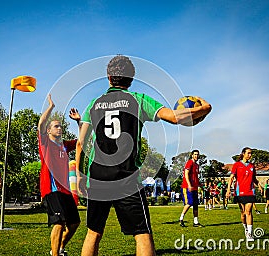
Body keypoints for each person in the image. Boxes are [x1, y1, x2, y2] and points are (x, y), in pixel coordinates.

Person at [76, 55, 212, 256]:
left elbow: (80, 143)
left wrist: (79, 175)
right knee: (142, 233)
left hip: (97, 177)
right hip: (126, 176)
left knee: (93, 233)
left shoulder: (94, 104)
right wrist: (205, 108)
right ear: (131, 79)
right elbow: (174, 117)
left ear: (108, 77)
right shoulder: (137, 100)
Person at [38, 94, 81, 256]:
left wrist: (78, 121)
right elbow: (41, 123)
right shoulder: (45, 143)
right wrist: (51, 107)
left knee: (75, 223)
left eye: (60, 126)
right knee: (59, 223)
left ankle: (60, 248)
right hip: (51, 190)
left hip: (65, 191)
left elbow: (80, 141)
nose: (59, 128)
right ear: (49, 131)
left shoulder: (64, 145)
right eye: (56, 126)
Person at [226, 147, 262, 242]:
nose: (250, 155)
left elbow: (254, 178)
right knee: (243, 214)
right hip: (239, 192)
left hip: (250, 191)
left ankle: (250, 233)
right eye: (248, 153)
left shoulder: (252, 166)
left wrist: (259, 186)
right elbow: (231, 178)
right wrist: (228, 189)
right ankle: (245, 228)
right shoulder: (237, 165)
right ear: (243, 153)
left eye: (251, 153)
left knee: (248, 211)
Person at [179, 150, 203, 227]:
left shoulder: (197, 165)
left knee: (196, 205)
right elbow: (186, 174)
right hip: (187, 187)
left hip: (195, 188)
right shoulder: (190, 162)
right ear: (192, 155)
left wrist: (200, 184)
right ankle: (181, 219)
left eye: (197, 154)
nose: (196, 156)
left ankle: (195, 222)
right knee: (190, 203)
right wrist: (189, 185)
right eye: (195, 154)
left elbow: (195, 177)